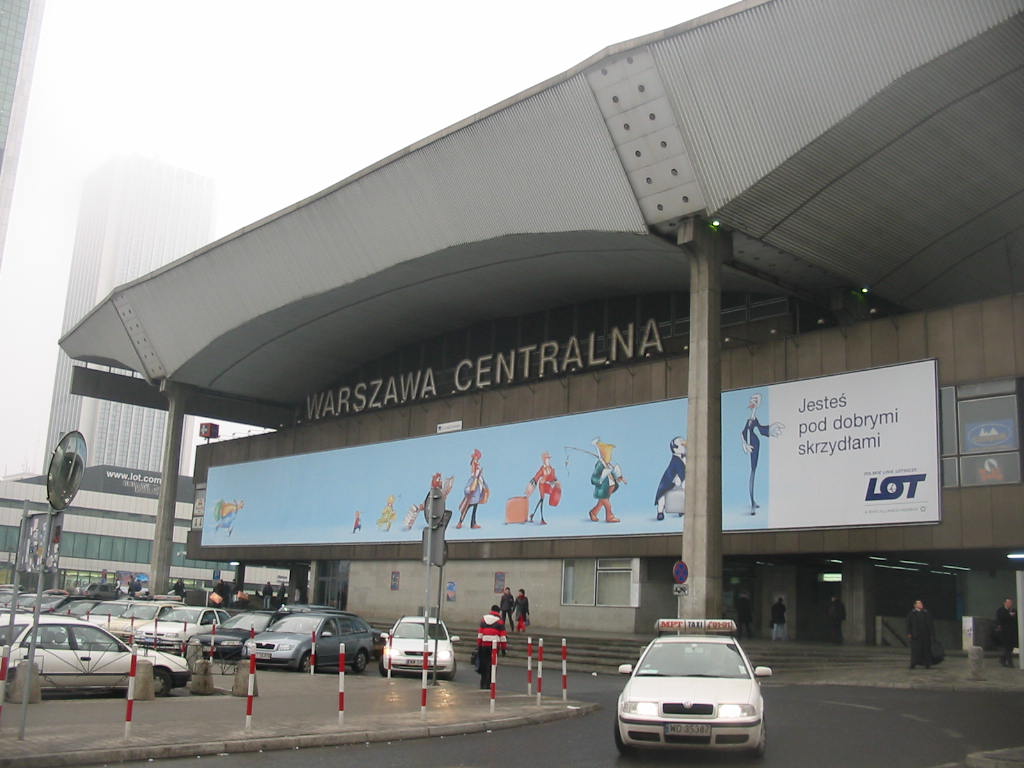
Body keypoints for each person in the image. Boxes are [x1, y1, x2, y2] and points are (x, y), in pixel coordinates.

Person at [477, 604, 508, 689]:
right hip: (494, 646)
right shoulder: (500, 621)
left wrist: (479, 644)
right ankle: (489, 682)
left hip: (484, 644)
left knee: (484, 663)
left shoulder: (484, 619)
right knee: (492, 664)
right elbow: (503, 636)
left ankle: (482, 682)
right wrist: (504, 648)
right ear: (498, 612)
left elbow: (480, 634)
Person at [906, 599, 935, 669]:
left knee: (926, 649)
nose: (920, 605)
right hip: (915, 635)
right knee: (915, 650)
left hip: (925, 635)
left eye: (921, 603)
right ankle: (913, 663)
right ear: (915, 605)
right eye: (919, 604)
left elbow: (930, 624)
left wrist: (932, 633)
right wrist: (909, 633)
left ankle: (927, 664)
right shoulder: (912, 613)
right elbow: (908, 624)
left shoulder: (926, 612)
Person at [995, 598, 1018, 667]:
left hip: (1012, 632)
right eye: (1009, 603)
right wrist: (1009, 615)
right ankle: (1010, 663)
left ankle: (1002, 659)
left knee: (1010, 647)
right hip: (1004, 632)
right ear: (1005, 603)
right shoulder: (1000, 610)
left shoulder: (1014, 610)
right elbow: (1000, 618)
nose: (1010, 604)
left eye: (1011, 603)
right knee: (1007, 647)